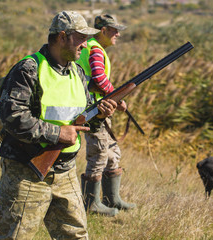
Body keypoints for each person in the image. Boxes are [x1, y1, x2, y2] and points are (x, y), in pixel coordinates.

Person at [0, 11, 118, 240]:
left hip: (66, 172)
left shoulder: (77, 73)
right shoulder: (29, 69)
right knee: (14, 236)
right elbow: (12, 116)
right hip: (26, 170)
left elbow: (84, 117)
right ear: (62, 37)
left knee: (76, 236)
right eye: (81, 37)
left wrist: (100, 114)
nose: (86, 44)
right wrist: (58, 133)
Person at [77, 14, 136, 217]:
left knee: (111, 152)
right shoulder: (94, 49)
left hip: (100, 108)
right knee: (100, 153)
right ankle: (91, 205)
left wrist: (114, 98)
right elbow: (100, 80)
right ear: (103, 31)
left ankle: (113, 199)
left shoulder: (94, 47)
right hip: (94, 111)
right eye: (114, 29)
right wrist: (117, 97)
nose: (118, 34)